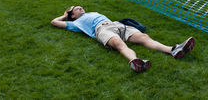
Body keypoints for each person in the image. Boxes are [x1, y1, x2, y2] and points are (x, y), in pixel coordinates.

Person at [51, 6, 195, 73]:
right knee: (120, 45)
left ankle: (173, 50)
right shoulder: (76, 23)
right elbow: (54, 22)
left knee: (144, 37)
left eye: (79, 6)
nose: (79, 7)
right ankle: (135, 62)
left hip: (117, 25)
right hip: (102, 30)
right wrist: (64, 15)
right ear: (73, 16)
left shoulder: (91, 12)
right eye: (75, 8)